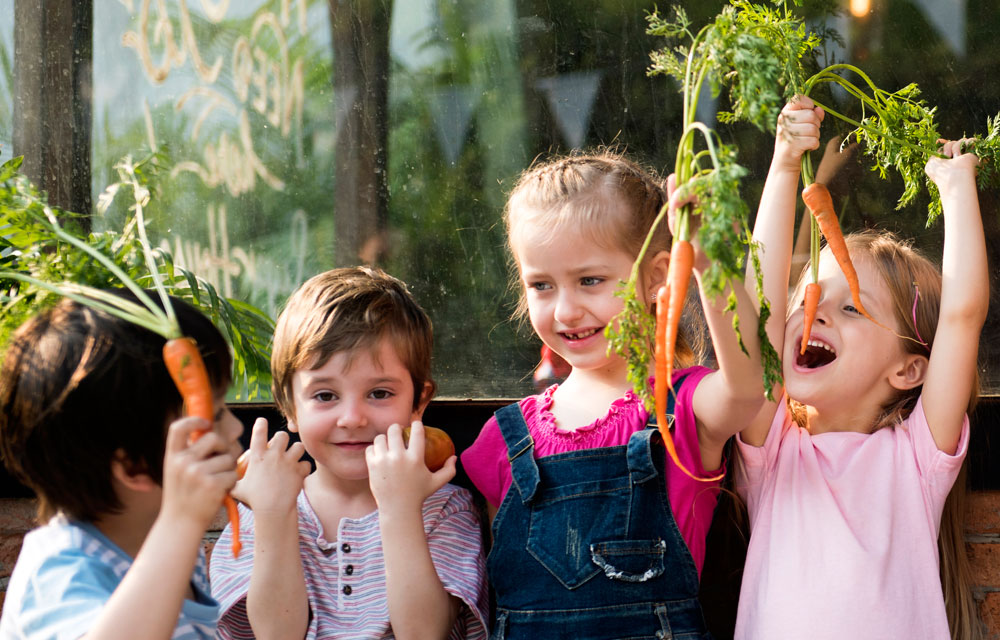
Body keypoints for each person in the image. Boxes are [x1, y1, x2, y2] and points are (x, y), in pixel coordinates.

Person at [461, 150, 767, 638]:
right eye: (541, 285)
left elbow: (749, 386)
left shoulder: (681, 408)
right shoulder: (504, 437)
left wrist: (711, 267)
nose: (565, 310)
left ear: (655, 277)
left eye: (590, 281)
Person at [736, 96, 988, 639]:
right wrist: (784, 163)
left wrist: (956, 185)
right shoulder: (774, 449)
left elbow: (964, 316)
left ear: (908, 370)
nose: (814, 312)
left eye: (851, 307)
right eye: (809, 299)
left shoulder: (917, 459)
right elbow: (757, 310)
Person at [210, 266, 489, 640]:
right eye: (325, 396)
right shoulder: (260, 510)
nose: (353, 418)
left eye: (379, 393)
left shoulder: (444, 509)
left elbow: (424, 634)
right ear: (290, 407)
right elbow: (277, 634)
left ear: (418, 402)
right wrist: (274, 516)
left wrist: (401, 509)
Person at [0, 293, 243, 639]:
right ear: (134, 467)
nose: (235, 428)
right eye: (215, 415)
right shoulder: (58, 574)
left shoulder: (160, 542)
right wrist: (182, 523)